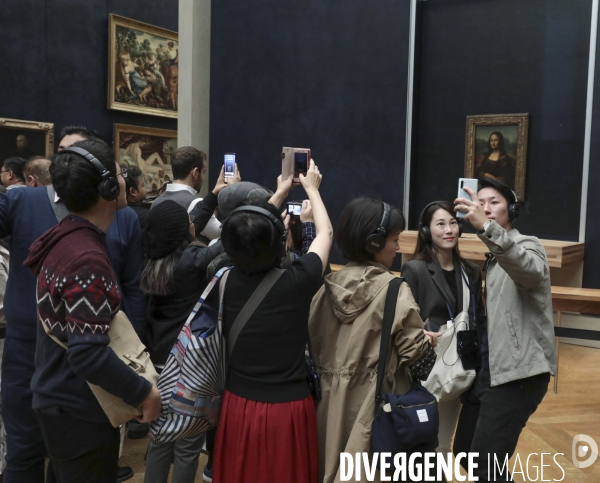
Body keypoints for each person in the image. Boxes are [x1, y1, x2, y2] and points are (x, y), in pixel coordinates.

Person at [0, 126, 143, 483]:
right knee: (28, 454)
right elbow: (86, 354)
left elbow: (133, 287)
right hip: (50, 369)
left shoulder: (88, 231)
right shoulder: (79, 250)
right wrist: (144, 392)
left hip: (87, 374)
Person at [212, 160, 333, 483]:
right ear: (280, 241)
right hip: (287, 409)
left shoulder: (222, 279)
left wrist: (279, 192)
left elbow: (244, 230)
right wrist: (311, 189)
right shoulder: (297, 281)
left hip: (237, 404)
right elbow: (325, 233)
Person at [308, 197, 441, 483]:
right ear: (373, 242)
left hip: (324, 412)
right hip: (375, 414)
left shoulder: (322, 289)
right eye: (394, 239)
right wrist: (428, 342)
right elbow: (422, 366)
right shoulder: (395, 291)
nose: (398, 247)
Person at [453, 178, 556, 482]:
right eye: (480, 202)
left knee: (486, 465)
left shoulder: (527, 245)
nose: (485, 208)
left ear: (511, 210)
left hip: (519, 373)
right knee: (465, 452)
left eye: (494, 202)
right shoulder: (494, 257)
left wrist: (485, 228)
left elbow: (529, 270)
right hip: (490, 369)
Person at [141, 200, 225, 483]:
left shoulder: (151, 261)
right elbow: (231, 237)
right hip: (188, 368)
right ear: (185, 231)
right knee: (188, 445)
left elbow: (183, 226)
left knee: (159, 439)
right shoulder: (193, 263)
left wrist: (211, 197)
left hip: (156, 364)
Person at [401, 201, 485, 455]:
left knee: (444, 446)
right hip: (427, 367)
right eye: (440, 224)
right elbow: (403, 320)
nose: (449, 230)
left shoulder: (470, 271)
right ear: (426, 231)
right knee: (423, 444)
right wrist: (421, 335)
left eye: (452, 223)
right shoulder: (414, 269)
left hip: (461, 366)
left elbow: (479, 318)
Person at [153, 146, 235, 242]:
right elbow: (224, 236)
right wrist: (233, 194)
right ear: (195, 173)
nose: (203, 178)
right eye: (203, 172)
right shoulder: (196, 204)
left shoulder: (156, 201)